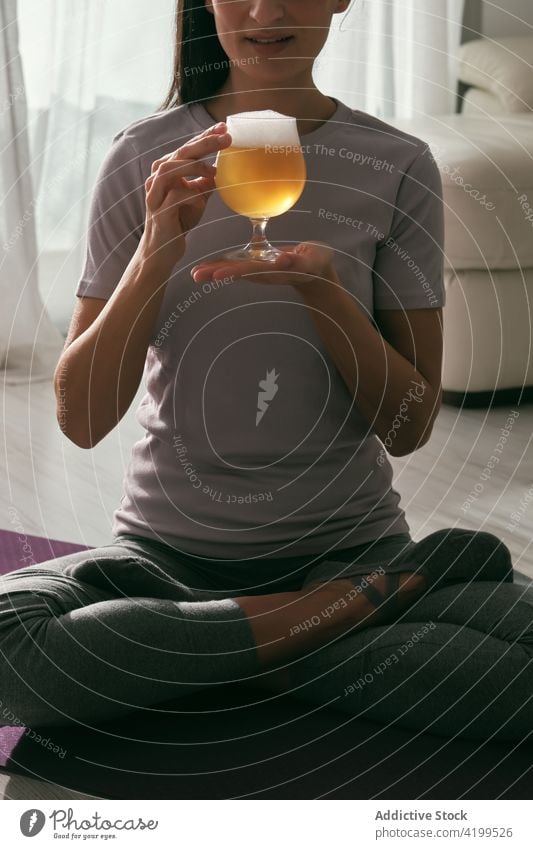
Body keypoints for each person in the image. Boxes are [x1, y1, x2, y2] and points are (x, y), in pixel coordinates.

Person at [0, 0, 531, 743]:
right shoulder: (142, 159)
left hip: (349, 546)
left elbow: (408, 426)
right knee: (9, 656)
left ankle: (220, 656)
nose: (263, 10)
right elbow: (82, 420)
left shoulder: (398, 164)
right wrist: (155, 251)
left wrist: (327, 296)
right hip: (164, 564)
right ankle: (337, 622)